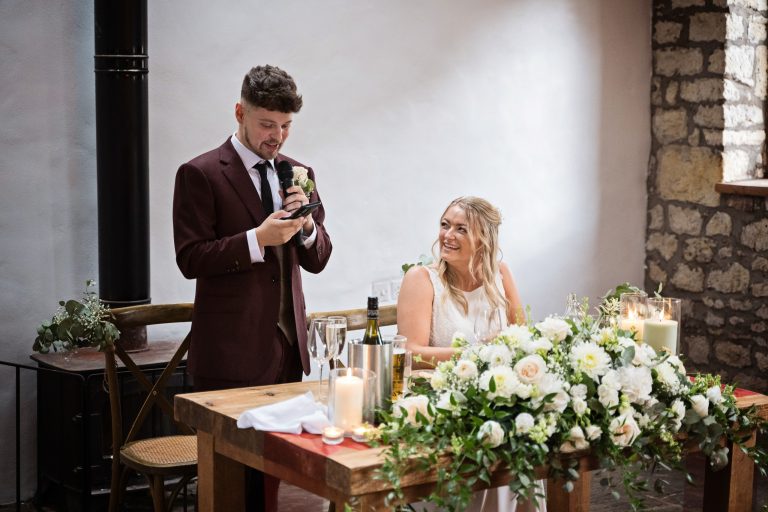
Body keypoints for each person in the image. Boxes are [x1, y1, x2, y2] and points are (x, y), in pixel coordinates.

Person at [172, 64, 332, 512]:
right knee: (232, 485)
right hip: (230, 351)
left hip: (287, 349)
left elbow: (319, 258)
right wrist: (256, 239)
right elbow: (190, 259)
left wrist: (304, 229)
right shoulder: (200, 173)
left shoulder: (299, 172)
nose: (277, 136)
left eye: (285, 126)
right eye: (267, 124)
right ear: (240, 112)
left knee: (273, 478)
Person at [397, 196, 543, 512]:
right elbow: (411, 353)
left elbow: (524, 338)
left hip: (498, 399)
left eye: (461, 229)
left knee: (530, 434)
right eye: (445, 225)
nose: (447, 235)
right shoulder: (422, 279)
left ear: (483, 239)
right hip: (441, 404)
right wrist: (478, 353)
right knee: (496, 443)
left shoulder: (500, 274)